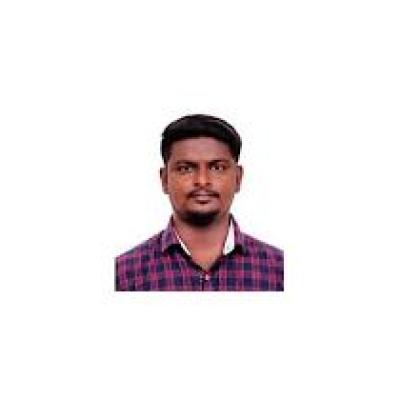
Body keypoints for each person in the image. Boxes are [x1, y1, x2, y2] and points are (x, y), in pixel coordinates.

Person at [115, 114, 284, 291]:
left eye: (217, 167)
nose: (202, 181)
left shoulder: (280, 271)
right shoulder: (123, 274)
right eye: (185, 168)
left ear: (238, 178)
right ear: (164, 180)